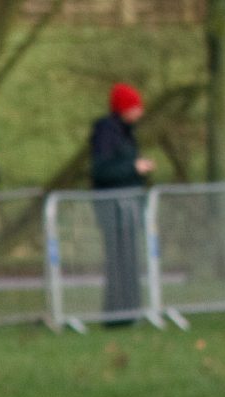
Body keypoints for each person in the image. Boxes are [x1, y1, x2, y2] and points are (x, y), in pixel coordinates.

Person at [88, 83, 152, 325]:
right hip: (112, 208)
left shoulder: (127, 133)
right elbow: (101, 170)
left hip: (128, 206)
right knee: (117, 260)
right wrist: (133, 167)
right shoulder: (106, 132)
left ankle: (131, 311)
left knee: (130, 259)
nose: (140, 113)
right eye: (135, 107)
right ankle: (116, 315)